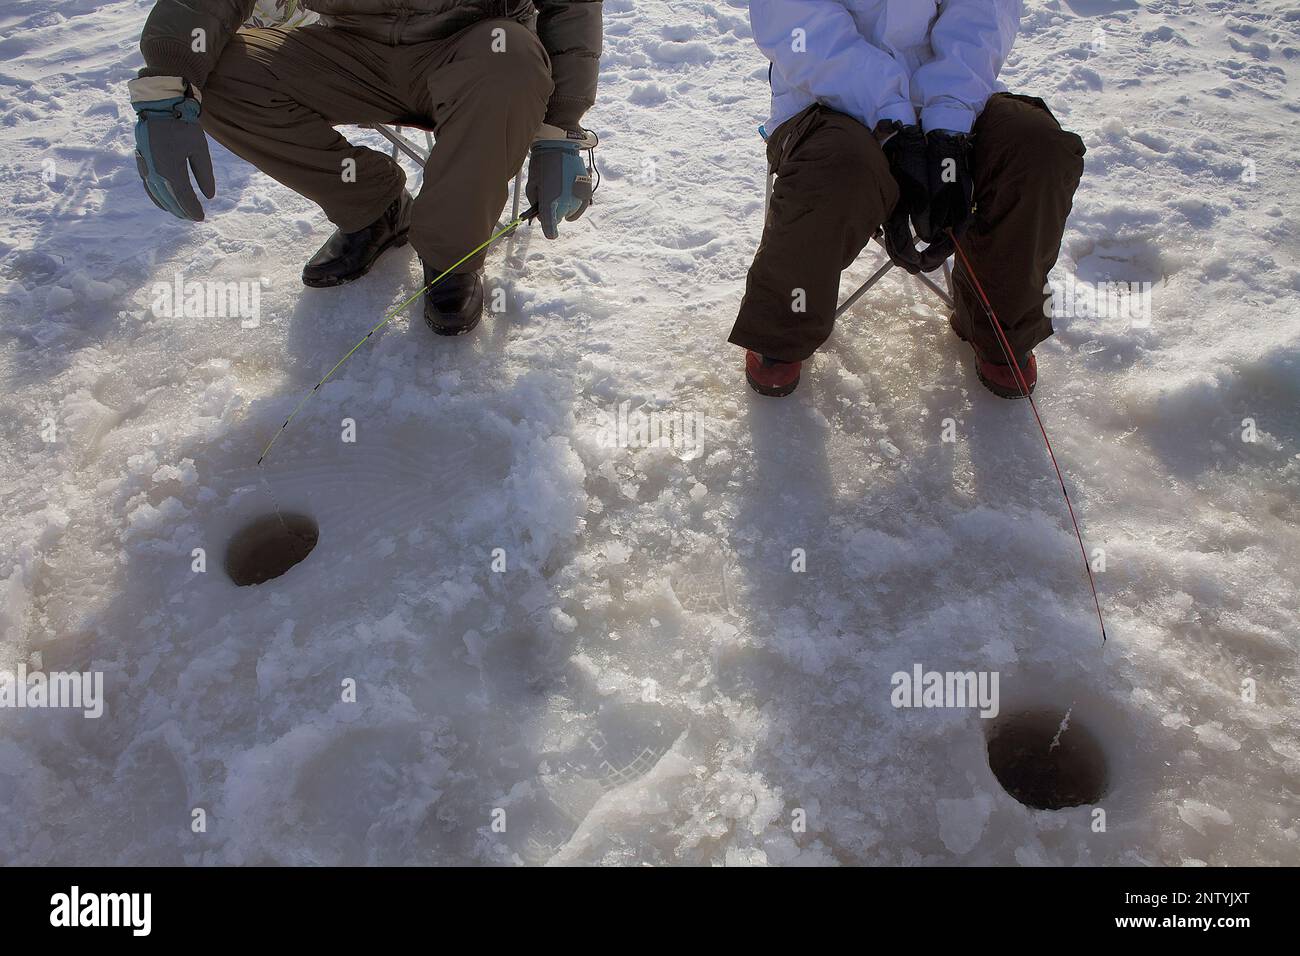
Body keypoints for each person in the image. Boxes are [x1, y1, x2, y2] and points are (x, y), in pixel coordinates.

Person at [128, 0, 602, 335]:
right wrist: (169, 84)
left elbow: (571, 8)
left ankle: (450, 257)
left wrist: (558, 130)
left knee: (508, 60)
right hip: (351, 50)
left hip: (476, 50)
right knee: (221, 72)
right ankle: (374, 206)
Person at [731, 0, 1085, 399]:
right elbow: (800, 29)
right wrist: (896, 127)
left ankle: (1000, 325)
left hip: (956, 97)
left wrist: (946, 129)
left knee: (1036, 150)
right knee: (841, 167)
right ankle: (783, 324)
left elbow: (981, 17)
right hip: (825, 100)